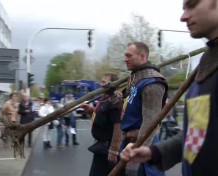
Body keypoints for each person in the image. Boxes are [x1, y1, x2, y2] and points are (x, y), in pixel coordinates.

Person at [120, 0, 218, 175]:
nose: (183, 16)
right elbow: (198, 133)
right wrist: (155, 152)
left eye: (193, 4)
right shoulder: (207, 62)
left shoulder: (152, 82)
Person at [120, 41, 168, 176]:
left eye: (129, 56)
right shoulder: (136, 78)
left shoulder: (152, 82)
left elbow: (150, 123)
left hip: (143, 143)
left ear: (142, 56)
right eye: (125, 55)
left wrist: (139, 149)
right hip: (129, 142)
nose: (125, 59)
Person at [81, 73, 123, 176]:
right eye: (101, 81)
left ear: (113, 84)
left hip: (107, 148)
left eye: (104, 82)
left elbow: (118, 126)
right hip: (101, 146)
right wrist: (91, 111)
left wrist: (113, 150)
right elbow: (102, 119)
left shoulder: (115, 100)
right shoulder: (104, 98)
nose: (100, 84)